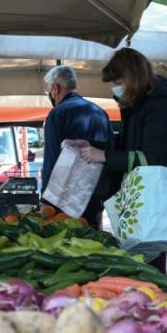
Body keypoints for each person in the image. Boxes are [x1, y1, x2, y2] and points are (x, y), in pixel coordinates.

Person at [79, 48, 167, 274]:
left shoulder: (160, 104)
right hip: (140, 196)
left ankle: (154, 293)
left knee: (151, 263)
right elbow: (128, 143)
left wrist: (104, 156)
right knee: (140, 260)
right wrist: (92, 146)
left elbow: (152, 157)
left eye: (118, 82)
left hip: (155, 197)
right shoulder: (137, 104)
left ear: (133, 76)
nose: (115, 88)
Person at [41, 66, 113, 229]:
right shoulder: (100, 112)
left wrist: (45, 200)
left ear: (55, 88)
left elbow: (51, 157)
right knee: (92, 238)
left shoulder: (57, 114)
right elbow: (110, 151)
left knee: (67, 240)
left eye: (49, 89)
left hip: (65, 198)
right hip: (96, 194)